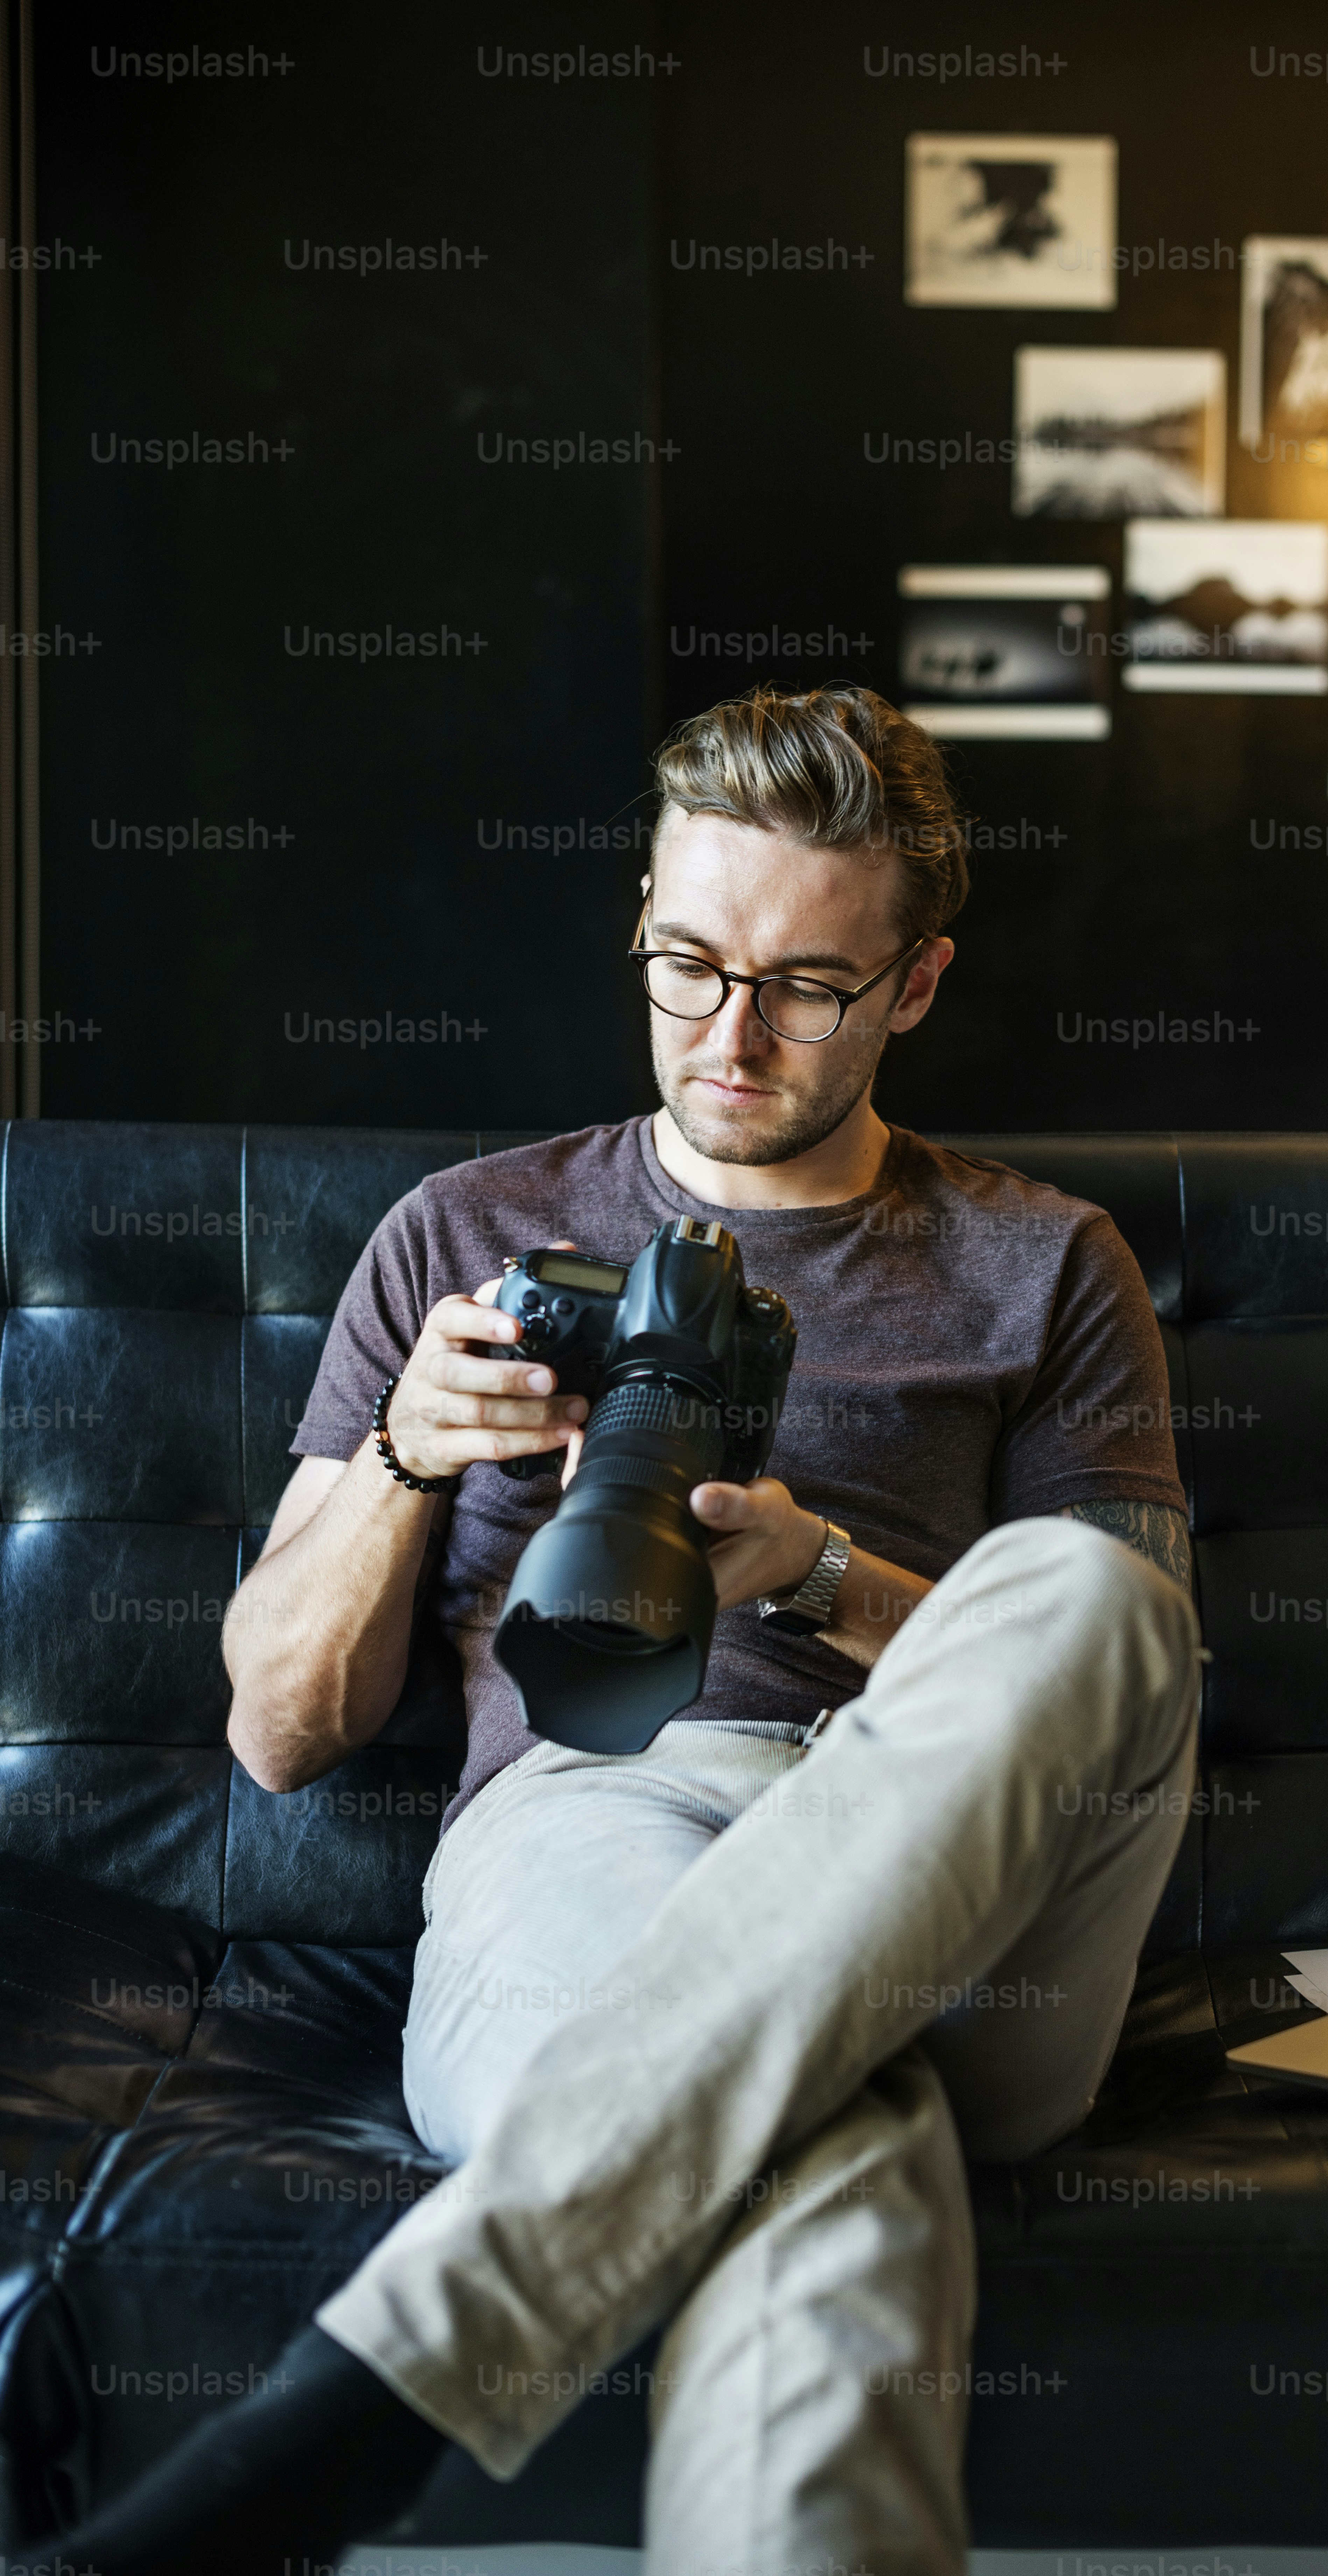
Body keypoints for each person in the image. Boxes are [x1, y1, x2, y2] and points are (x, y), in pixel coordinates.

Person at [67, 685, 1200, 2576]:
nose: (730, 1034)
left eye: (808, 986)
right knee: (837, 2158)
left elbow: (1124, 1693)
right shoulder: (465, 1235)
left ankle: (367, 2407)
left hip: (969, 1894)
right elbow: (278, 1730)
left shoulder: (1045, 1260)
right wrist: (406, 1467)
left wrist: (822, 1579)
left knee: (1096, 1591)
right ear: (643, 922)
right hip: (595, 1823)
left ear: (914, 987)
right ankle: (376, 2414)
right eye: (687, 963)